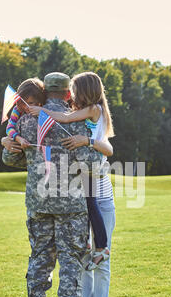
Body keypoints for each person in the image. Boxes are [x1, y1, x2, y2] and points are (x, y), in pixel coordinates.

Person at [1, 72, 103, 297]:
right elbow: (94, 167)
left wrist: (9, 143)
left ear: (46, 92)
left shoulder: (25, 121)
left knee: (39, 260)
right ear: (68, 93)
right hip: (70, 204)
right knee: (71, 262)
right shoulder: (77, 121)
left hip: (38, 203)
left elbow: (8, 158)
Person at [29, 72, 114, 272]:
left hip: (92, 164)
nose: (72, 95)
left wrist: (41, 111)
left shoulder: (93, 109)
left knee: (91, 204)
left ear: (85, 91)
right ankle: (88, 244)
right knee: (86, 204)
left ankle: (101, 247)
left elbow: (65, 118)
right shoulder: (95, 109)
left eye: (75, 90)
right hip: (90, 163)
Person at [6, 78, 46, 150]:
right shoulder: (17, 110)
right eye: (22, 102)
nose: (26, 106)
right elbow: (9, 128)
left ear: (39, 100)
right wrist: (19, 139)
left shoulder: (44, 108)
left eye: (30, 103)